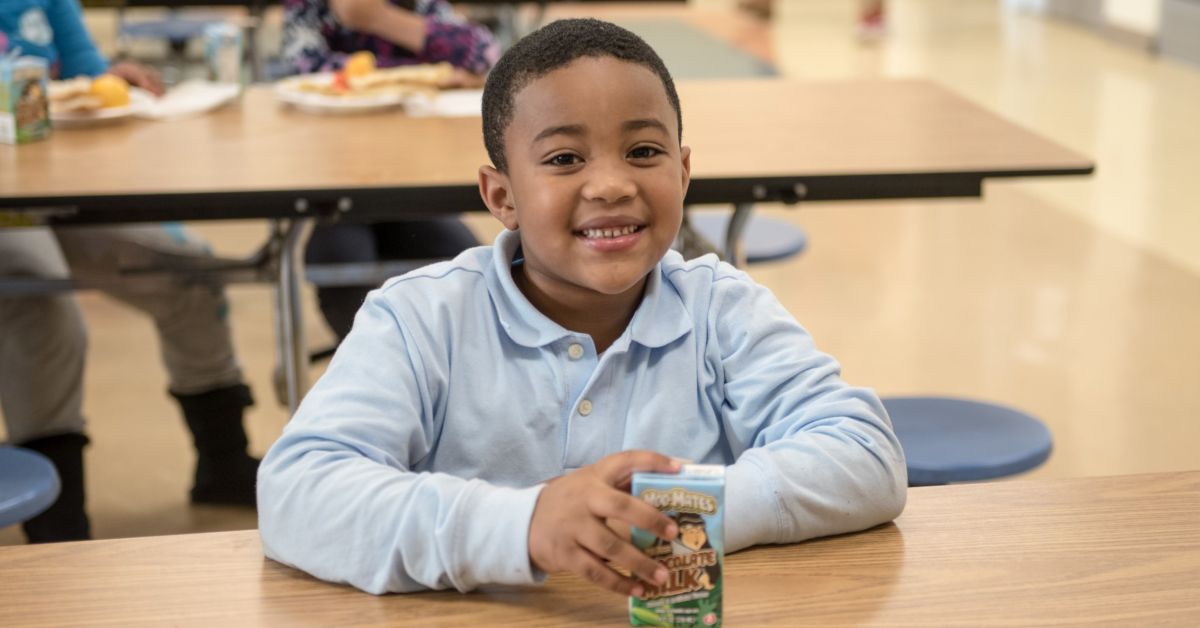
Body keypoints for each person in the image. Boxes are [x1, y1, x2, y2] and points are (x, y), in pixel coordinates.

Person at [257, 18, 906, 595]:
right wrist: (525, 525)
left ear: (683, 173)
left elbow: (866, 456)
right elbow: (296, 493)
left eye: (644, 152)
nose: (612, 184)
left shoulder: (721, 309)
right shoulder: (420, 321)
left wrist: (669, 513)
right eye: (564, 159)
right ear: (502, 195)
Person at [0, 0, 258, 544]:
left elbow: (86, 77)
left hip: (61, 186)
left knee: (190, 271)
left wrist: (104, 81)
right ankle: (58, 520)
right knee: (40, 305)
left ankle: (222, 465)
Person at [281, 0, 499, 340]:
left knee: (475, 278)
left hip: (412, 182)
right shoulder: (311, 8)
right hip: (338, 185)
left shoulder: (415, 4)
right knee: (347, 278)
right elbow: (309, 70)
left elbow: (484, 55)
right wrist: (426, 73)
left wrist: (379, 18)